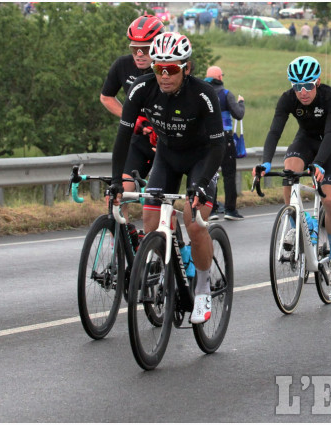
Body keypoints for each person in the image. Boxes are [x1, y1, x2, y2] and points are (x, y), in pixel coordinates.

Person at [110, 32, 226, 324]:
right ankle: (169, 268)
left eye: (171, 68)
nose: (163, 75)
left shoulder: (203, 94)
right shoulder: (141, 88)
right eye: (158, 68)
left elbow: (217, 146)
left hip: (202, 159)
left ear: (186, 68)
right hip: (168, 156)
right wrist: (115, 181)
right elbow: (123, 137)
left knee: (194, 219)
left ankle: (202, 289)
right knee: (151, 224)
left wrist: (200, 184)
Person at [253, 56, 331, 286]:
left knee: (329, 198)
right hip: (306, 140)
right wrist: (265, 162)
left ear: (318, 82)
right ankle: (297, 225)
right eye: (297, 86)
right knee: (289, 171)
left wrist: (320, 163)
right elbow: (275, 131)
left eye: (308, 86)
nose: (303, 92)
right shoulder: (287, 99)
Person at [100, 15, 165, 228]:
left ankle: (174, 249)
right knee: (115, 197)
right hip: (137, 141)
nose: (139, 54)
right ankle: (125, 249)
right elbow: (106, 97)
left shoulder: (168, 70)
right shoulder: (122, 65)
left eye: (145, 49)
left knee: (154, 207)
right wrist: (133, 119)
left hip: (165, 145)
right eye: (134, 48)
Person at [204, 66, 246, 221]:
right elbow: (238, 114)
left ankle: (212, 209)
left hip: (205, 139)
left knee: (210, 174)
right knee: (229, 174)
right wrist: (241, 103)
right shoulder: (226, 94)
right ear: (220, 77)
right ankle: (230, 209)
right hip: (224, 139)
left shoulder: (201, 93)